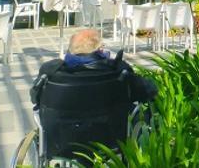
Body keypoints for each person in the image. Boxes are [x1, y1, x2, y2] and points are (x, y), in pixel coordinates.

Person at [30, 29, 158, 160]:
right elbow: (148, 90)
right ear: (100, 49)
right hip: (110, 142)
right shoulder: (118, 71)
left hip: (61, 144)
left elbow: (35, 97)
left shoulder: (50, 72)